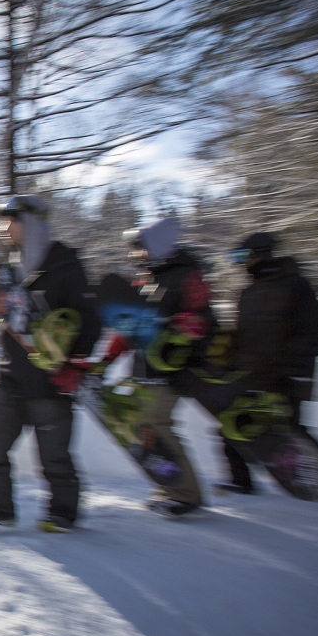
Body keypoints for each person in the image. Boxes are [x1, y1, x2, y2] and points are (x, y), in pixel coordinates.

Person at [0, 195, 101, 533]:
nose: (3, 229)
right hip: (11, 377)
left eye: (11, 221)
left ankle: (62, 514)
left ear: (32, 223)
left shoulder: (66, 267)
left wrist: (68, 352)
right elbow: (1, 313)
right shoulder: (6, 269)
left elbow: (90, 323)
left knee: (54, 457)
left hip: (51, 382)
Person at [120, 216, 215, 518]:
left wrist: (183, 331)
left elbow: (204, 321)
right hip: (145, 368)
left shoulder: (187, 277)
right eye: (133, 251)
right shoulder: (147, 279)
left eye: (140, 249)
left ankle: (186, 494)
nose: (135, 256)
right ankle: (169, 484)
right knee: (147, 430)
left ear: (157, 247)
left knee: (157, 425)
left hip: (172, 369)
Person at [218, 231, 318, 494]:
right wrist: (229, 358)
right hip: (253, 374)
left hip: (287, 376)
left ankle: (314, 478)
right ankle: (240, 482)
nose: (241, 263)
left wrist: (295, 371)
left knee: (292, 430)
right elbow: (243, 335)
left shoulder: (296, 286)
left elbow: (313, 333)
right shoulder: (248, 293)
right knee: (231, 425)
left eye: (244, 257)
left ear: (261, 255)